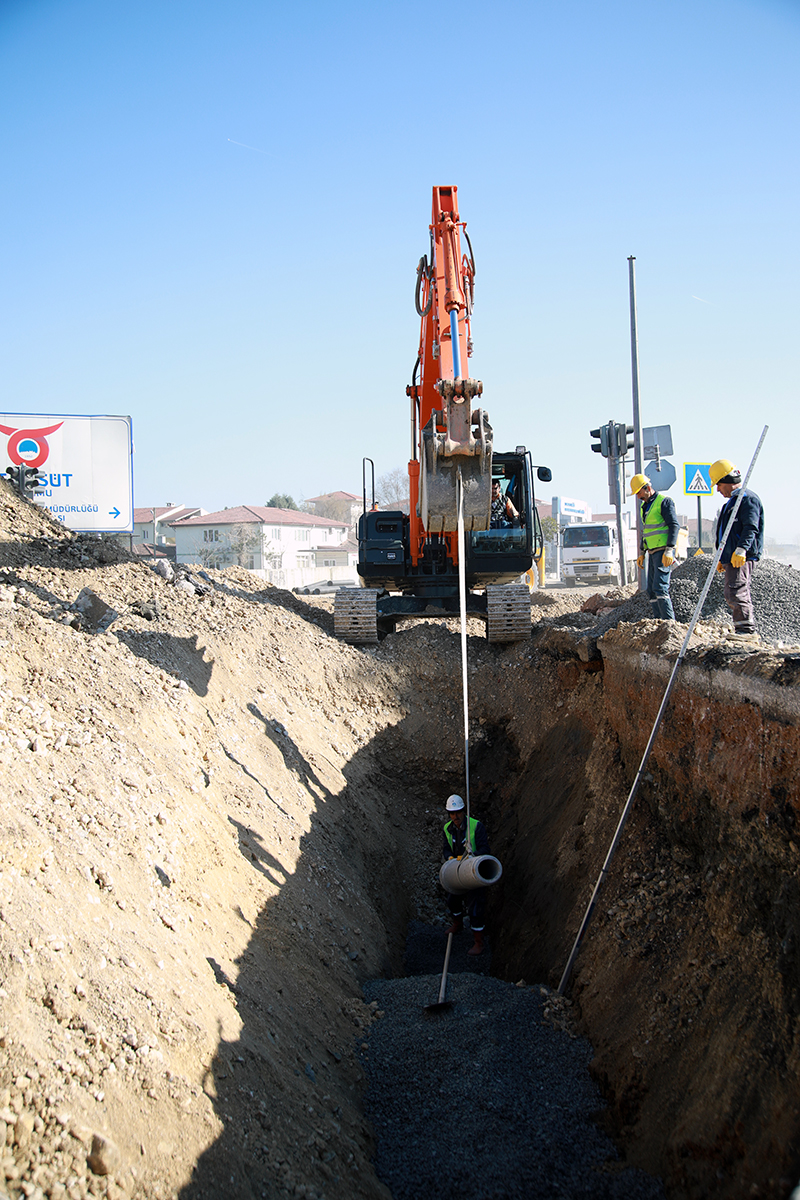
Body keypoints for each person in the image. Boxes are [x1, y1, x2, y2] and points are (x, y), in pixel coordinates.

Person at [711, 458, 764, 635]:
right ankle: (742, 629)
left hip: (741, 556)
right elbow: (725, 534)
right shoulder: (731, 504)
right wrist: (722, 557)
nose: (717, 489)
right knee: (732, 591)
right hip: (731, 556)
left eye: (718, 484)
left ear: (726, 481)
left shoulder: (747, 499)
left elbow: (751, 527)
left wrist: (742, 549)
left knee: (736, 590)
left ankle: (746, 632)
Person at [441, 794, 490, 956]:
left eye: (458, 813)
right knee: (452, 900)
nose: (455, 817)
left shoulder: (476, 827)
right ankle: (458, 924)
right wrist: (450, 859)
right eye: (452, 813)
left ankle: (478, 942)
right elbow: (446, 849)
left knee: (475, 907)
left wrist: (472, 856)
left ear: (464, 811)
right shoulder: (447, 829)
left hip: (473, 872)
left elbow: (485, 849)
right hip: (456, 871)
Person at [629, 473, 680, 621]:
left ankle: (670, 624)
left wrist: (669, 550)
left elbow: (674, 526)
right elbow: (646, 531)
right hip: (652, 551)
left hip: (663, 551)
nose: (638, 496)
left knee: (660, 587)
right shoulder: (644, 507)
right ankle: (658, 622)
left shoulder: (664, 502)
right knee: (651, 590)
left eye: (639, 492)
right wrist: (641, 552)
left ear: (648, 488)